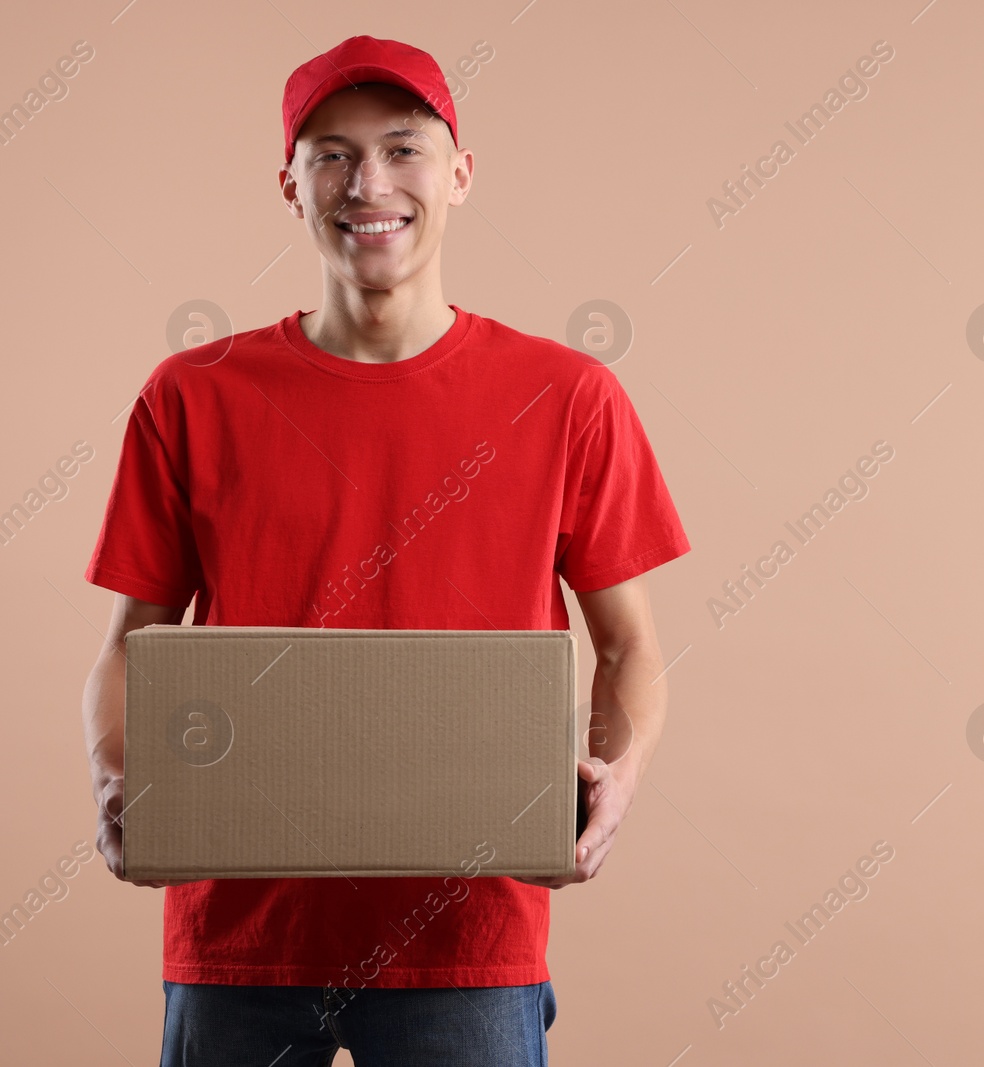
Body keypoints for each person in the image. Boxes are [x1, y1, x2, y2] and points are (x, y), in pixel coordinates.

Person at [78, 34, 691, 1066]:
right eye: (332, 153)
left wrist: (616, 776)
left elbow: (631, 648)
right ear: (290, 183)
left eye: (403, 149)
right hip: (242, 932)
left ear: (458, 175)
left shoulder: (567, 397)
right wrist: (111, 773)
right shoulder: (191, 395)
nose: (369, 184)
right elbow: (131, 643)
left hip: (468, 937)